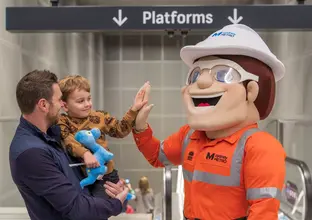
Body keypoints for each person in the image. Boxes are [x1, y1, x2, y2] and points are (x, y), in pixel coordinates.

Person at [132, 24, 286, 219]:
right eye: (195, 74)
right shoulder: (190, 135)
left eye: (223, 74)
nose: (202, 82)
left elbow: (263, 212)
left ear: (251, 91)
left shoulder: (258, 147)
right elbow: (157, 156)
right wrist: (140, 127)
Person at [9, 70, 129, 220]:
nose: (62, 105)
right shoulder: (31, 153)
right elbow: (76, 209)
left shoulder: (51, 135)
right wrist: (115, 204)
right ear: (43, 105)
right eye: (59, 100)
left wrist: (108, 190)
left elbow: (79, 186)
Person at [57, 75, 148, 198]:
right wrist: (85, 154)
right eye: (80, 101)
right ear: (65, 105)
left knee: (102, 209)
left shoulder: (99, 116)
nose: (87, 104)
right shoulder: (63, 121)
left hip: (106, 175)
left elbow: (120, 130)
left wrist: (134, 109)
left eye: (89, 99)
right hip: (81, 175)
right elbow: (67, 139)